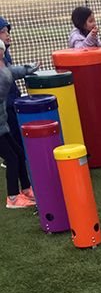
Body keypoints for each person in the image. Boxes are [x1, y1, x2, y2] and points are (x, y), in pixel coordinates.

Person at [0, 40, 38, 209]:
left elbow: (11, 71)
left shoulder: (2, 66)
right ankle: (13, 197)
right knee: (12, 158)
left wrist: (27, 69)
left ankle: (26, 188)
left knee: (18, 152)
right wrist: (7, 73)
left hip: (2, 125)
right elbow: (4, 83)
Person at [0, 17, 26, 148]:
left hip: (12, 99)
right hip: (6, 104)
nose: (7, 34)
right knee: (12, 133)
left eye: (7, 31)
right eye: (3, 31)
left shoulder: (5, 52)